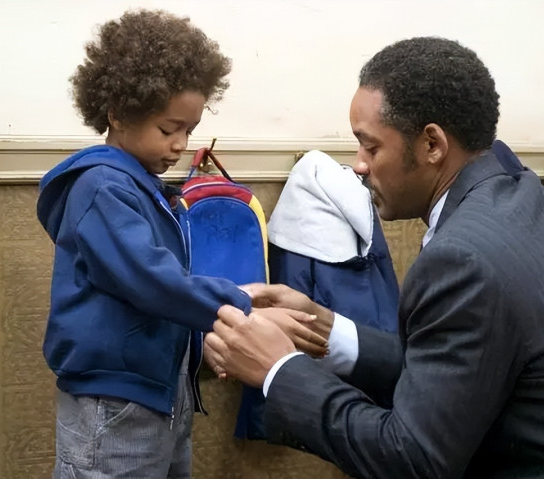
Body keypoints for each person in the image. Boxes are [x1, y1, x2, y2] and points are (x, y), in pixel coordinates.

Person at [204, 37, 544, 478]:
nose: (359, 165)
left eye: (371, 146)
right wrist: (327, 330)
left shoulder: (464, 257)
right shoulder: (515, 193)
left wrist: (278, 369)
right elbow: (453, 372)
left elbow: (412, 460)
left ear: (432, 145)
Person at [36, 10, 326, 478]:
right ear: (117, 113)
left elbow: (160, 294)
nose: (180, 145)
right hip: (114, 401)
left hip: (161, 390)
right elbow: (153, 283)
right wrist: (241, 309)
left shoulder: (144, 188)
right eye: (168, 129)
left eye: (188, 131)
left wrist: (209, 334)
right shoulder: (102, 188)